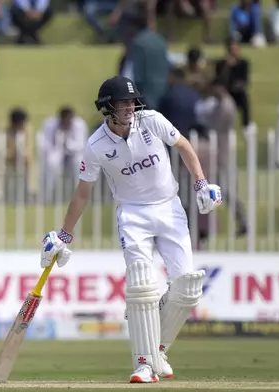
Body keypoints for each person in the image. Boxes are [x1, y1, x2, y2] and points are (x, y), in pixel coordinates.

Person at [39, 76, 223, 383]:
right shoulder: (96, 144)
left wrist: (201, 183)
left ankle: (158, 350)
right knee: (142, 285)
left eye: (131, 101)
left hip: (170, 208)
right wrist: (64, 234)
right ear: (107, 107)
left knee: (188, 287)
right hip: (133, 215)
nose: (129, 107)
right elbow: (82, 192)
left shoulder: (151, 121)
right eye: (123, 102)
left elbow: (183, 146)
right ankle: (143, 364)